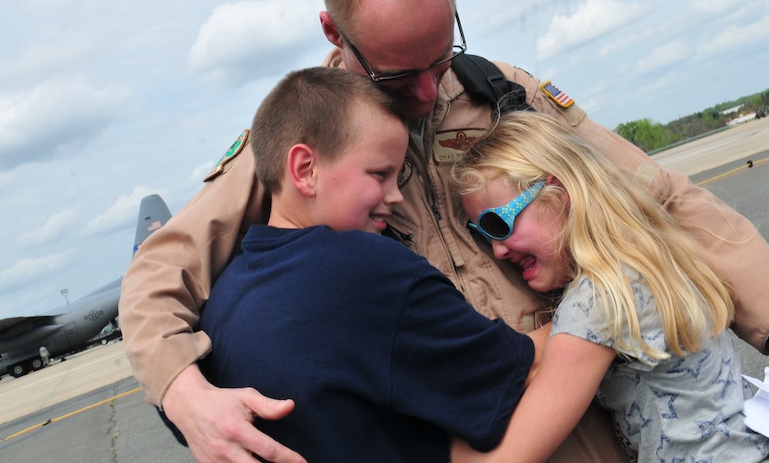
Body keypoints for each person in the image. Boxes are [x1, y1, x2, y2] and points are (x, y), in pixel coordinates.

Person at [119, 0, 769, 462]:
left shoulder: (501, 91)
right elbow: (158, 272)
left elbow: (656, 197)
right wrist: (185, 395)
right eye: (395, 75)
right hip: (486, 429)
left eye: (437, 60)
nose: (424, 93)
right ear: (335, 33)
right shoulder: (309, 138)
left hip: (604, 420)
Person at [168, 67, 539, 461]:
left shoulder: (223, 296)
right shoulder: (364, 269)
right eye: (380, 174)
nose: (395, 196)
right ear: (305, 170)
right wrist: (594, 303)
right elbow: (516, 371)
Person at [447, 111, 769, 462]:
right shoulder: (644, 259)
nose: (497, 249)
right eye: (481, 234)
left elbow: (510, 457)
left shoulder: (598, 301)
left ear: (558, 191)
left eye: (498, 223)